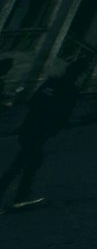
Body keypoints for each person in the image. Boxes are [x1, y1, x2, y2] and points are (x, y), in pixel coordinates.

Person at [2, 57, 85, 211]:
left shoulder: (51, 83)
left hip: (29, 126)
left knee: (28, 162)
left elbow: (33, 102)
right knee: (23, 164)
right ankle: (19, 196)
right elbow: (63, 115)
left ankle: (21, 195)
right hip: (41, 131)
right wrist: (54, 128)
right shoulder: (70, 90)